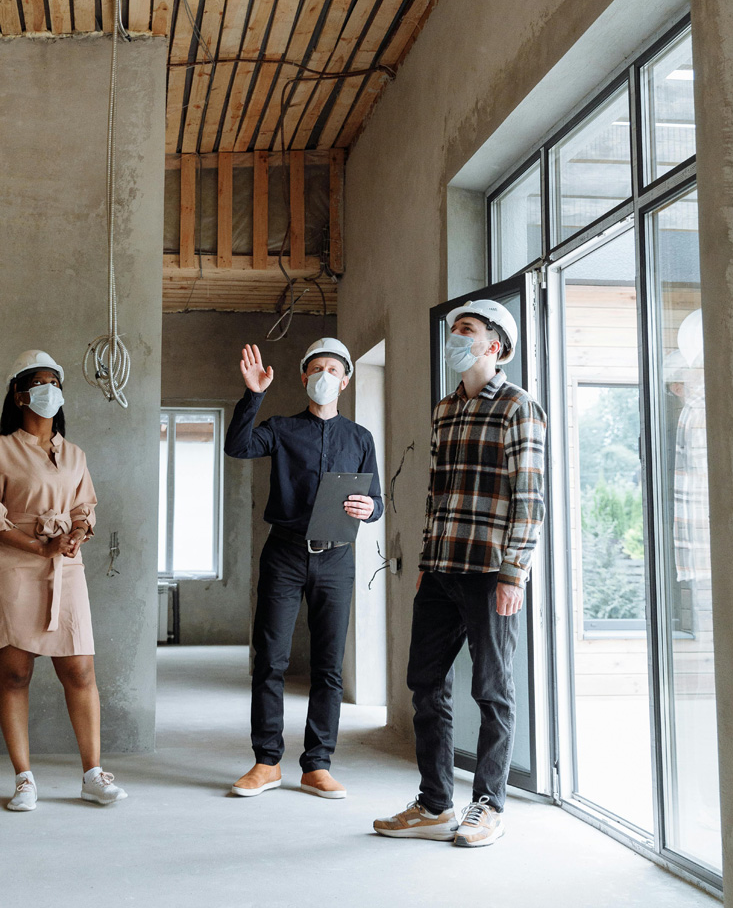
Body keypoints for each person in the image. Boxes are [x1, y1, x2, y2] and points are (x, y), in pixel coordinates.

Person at [373, 301, 546, 847]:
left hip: (491, 572)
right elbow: (436, 494)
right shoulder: (444, 409)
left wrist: (514, 572)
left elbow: (531, 498)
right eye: (454, 330)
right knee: (424, 682)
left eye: (466, 331)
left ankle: (489, 805)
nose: (455, 338)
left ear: (494, 346)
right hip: (442, 569)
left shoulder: (519, 407)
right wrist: (426, 562)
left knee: (492, 689)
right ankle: (435, 804)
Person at [224, 338, 383, 800]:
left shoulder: (360, 438)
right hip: (285, 553)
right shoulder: (281, 428)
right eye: (316, 367)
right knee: (270, 659)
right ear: (303, 376)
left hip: (337, 558)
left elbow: (376, 502)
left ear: (346, 380)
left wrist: (368, 508)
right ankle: (266, 761)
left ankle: (317, 764)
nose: (325, 374)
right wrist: (254, 395)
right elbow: (238, 446)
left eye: (334, 368)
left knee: (328, 665)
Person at [0, 349, 127, 811]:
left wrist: (78, 532)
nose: (50, 390)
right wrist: (40, 546)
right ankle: (23, 778)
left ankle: (93, 774)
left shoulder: (74, 454)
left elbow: (85, 508)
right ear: (20, 394)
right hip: (18, 566)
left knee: (80, 669)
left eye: (56, 382)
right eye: (40, 382)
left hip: (66, 567)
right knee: (16, 671)